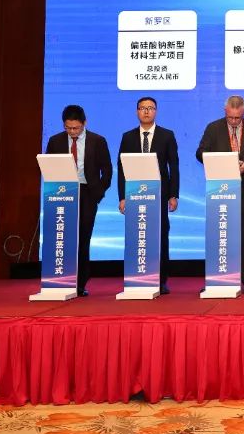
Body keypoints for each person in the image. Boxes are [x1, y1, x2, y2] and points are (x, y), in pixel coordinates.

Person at [196, 95, 244, 294]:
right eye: (230, 117)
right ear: (225, 111)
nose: (234, 121)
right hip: (220, 189)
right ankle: (216, 277)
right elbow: (200, 152)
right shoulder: (213, 128)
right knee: (219, 234)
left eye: (238, 118)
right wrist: (220, 162)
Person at [44, 104, 112, 297]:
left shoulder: (97, 141)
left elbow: (107, 170)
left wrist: (98, 193)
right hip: (62, 193)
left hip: (87, 193)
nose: (72, 132)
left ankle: (80, 283)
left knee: (83, 238)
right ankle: (60, 279)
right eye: (68, 128)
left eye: (76, 128)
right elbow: (49, 167)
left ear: (84, 123)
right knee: (62, 237)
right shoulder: (55, 141)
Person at [117, 97, 179, 295]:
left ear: (156, 111)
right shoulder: (127, 137)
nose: (146, 112)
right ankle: (137, 276)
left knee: (160, 235)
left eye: (150, 108)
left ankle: (161, 280)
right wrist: (122, 197)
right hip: (134, 195)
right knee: (137, 234)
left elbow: (173, 167)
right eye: (142, 108)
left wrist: (173, 195)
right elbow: (121, 168)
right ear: (137, 111)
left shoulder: (167, 135)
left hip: (160, 195)